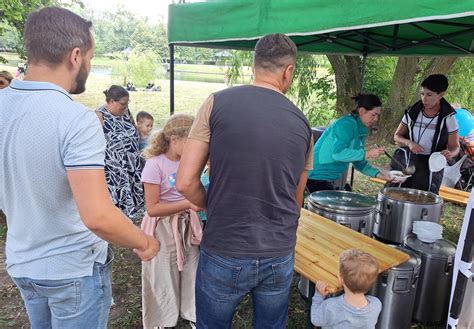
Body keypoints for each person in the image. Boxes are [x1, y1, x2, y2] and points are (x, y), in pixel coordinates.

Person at [0, 7, 159, 328]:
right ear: (75, 56)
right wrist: (145, 242)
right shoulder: (76, 119)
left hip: (22, 262)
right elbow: (98, 216)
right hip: (72, 268)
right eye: (90, 56)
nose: (88, 65)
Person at [176, 33, 313, 328]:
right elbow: (296, 200)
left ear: (254, 65)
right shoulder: (303, 123)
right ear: (288, 71)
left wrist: (213, 207)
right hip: (278, 251)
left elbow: (185, 182)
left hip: (225, 246)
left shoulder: (216, 103)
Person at [140, 114, 202, 329]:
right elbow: (152, 208)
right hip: (163, 228)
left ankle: (191, 312)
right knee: (163, 273)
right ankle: (162, 318)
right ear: (173, 139)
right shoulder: (155, 165)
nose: (195, 148)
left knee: (191, 268)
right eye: (190, 143)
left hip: (187, 225)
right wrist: (187, 204)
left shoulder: (190, 162)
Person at [307, 94, 391, 193]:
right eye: (373, 114)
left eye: (378, 115)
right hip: (316, 175)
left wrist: (380, 175)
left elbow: (358, 162)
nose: (376, 119)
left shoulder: (360, 129)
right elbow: (338, 154)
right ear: (362, 111)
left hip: (329, 177)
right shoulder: (345, 125)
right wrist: (368, 153)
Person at [393, 74, 460, 193]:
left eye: (429, 95)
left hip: (432, 166)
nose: (424, 99)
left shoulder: (448, 118)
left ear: (441, 94)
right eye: (422, 94)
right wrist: (409, 143)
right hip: (408, 162)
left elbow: (455, 148)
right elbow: (397, 136)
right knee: (398, 194)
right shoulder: (412, 112)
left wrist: (450, 153)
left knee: (424, 200)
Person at [96, 85, 144, 219]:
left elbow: (134, 128)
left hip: (131, 163)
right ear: (111, 101)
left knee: (133, 187)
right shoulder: (99, 115)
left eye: (127, 103)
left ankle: (134, 214)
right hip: (114, 167)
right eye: (122, 104)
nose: (125, 106)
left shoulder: (126, 112)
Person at [311, 249, 382, 329]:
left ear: (341, 280)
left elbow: (315, 320)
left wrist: (318, 296)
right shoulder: (376, 304)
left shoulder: (331, 306)